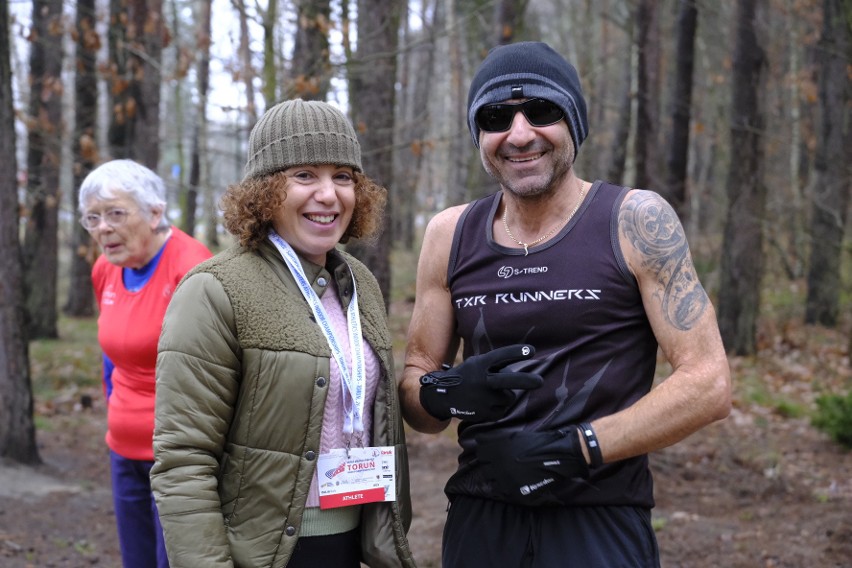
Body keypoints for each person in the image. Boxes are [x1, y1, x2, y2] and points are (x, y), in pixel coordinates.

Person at [399, 41, 732, 567]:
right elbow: (418, 399)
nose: (521, 133)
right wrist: (444, 393)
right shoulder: (449, 233)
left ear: (573, 123)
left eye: (543, 111)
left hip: (599, 517)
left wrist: (577, 447)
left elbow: (709, 383)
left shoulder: (634, 220)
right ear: (479, 135)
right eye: (496, 117)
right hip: (481, 517)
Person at [150, 99, 417, 568]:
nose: (329, 194)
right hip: (266, 553)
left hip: (353, 545)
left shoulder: (359, 283)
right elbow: (184, 462)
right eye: (305, 175)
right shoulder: (215, 291)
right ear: (265, 191)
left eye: (342, 176)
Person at [79, 159, 213, 568]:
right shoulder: (106, 268)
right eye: (93, 218)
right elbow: (111, 355)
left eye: (116, 213)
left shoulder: (193, 269)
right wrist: (116, 410)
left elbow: (218, 372)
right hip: (123, 449)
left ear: (156, 213)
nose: (103, 228)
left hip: (181, 459)